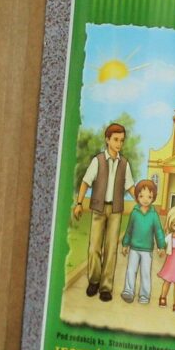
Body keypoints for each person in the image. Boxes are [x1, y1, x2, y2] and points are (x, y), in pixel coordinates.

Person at [72, 122, 133, 302]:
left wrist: (142, 202)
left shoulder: (124, 164)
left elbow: (130, 186)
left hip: (115, 210)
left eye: (121, 140)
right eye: (115, 139)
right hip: (98, 209)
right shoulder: (97, 161)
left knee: (111, 249)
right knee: (94, 248)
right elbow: (86, 182)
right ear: (107, 140)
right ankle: (94, 280)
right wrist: (79, 203)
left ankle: (106, 287)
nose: (119, 144)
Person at [119, 179, 164, 305]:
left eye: (149, 196)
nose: (145, 199)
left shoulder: (154, 215)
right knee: (131, 270)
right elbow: (129, 230)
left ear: (153, 198)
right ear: (137, 196)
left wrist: (161, 246)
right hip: (134, 249)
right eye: (141, 196)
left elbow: (159, 231)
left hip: (147, 251)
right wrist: (125, 244)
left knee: (145, 273)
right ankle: (128, 291)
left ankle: (144, 295)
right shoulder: (134, 213)